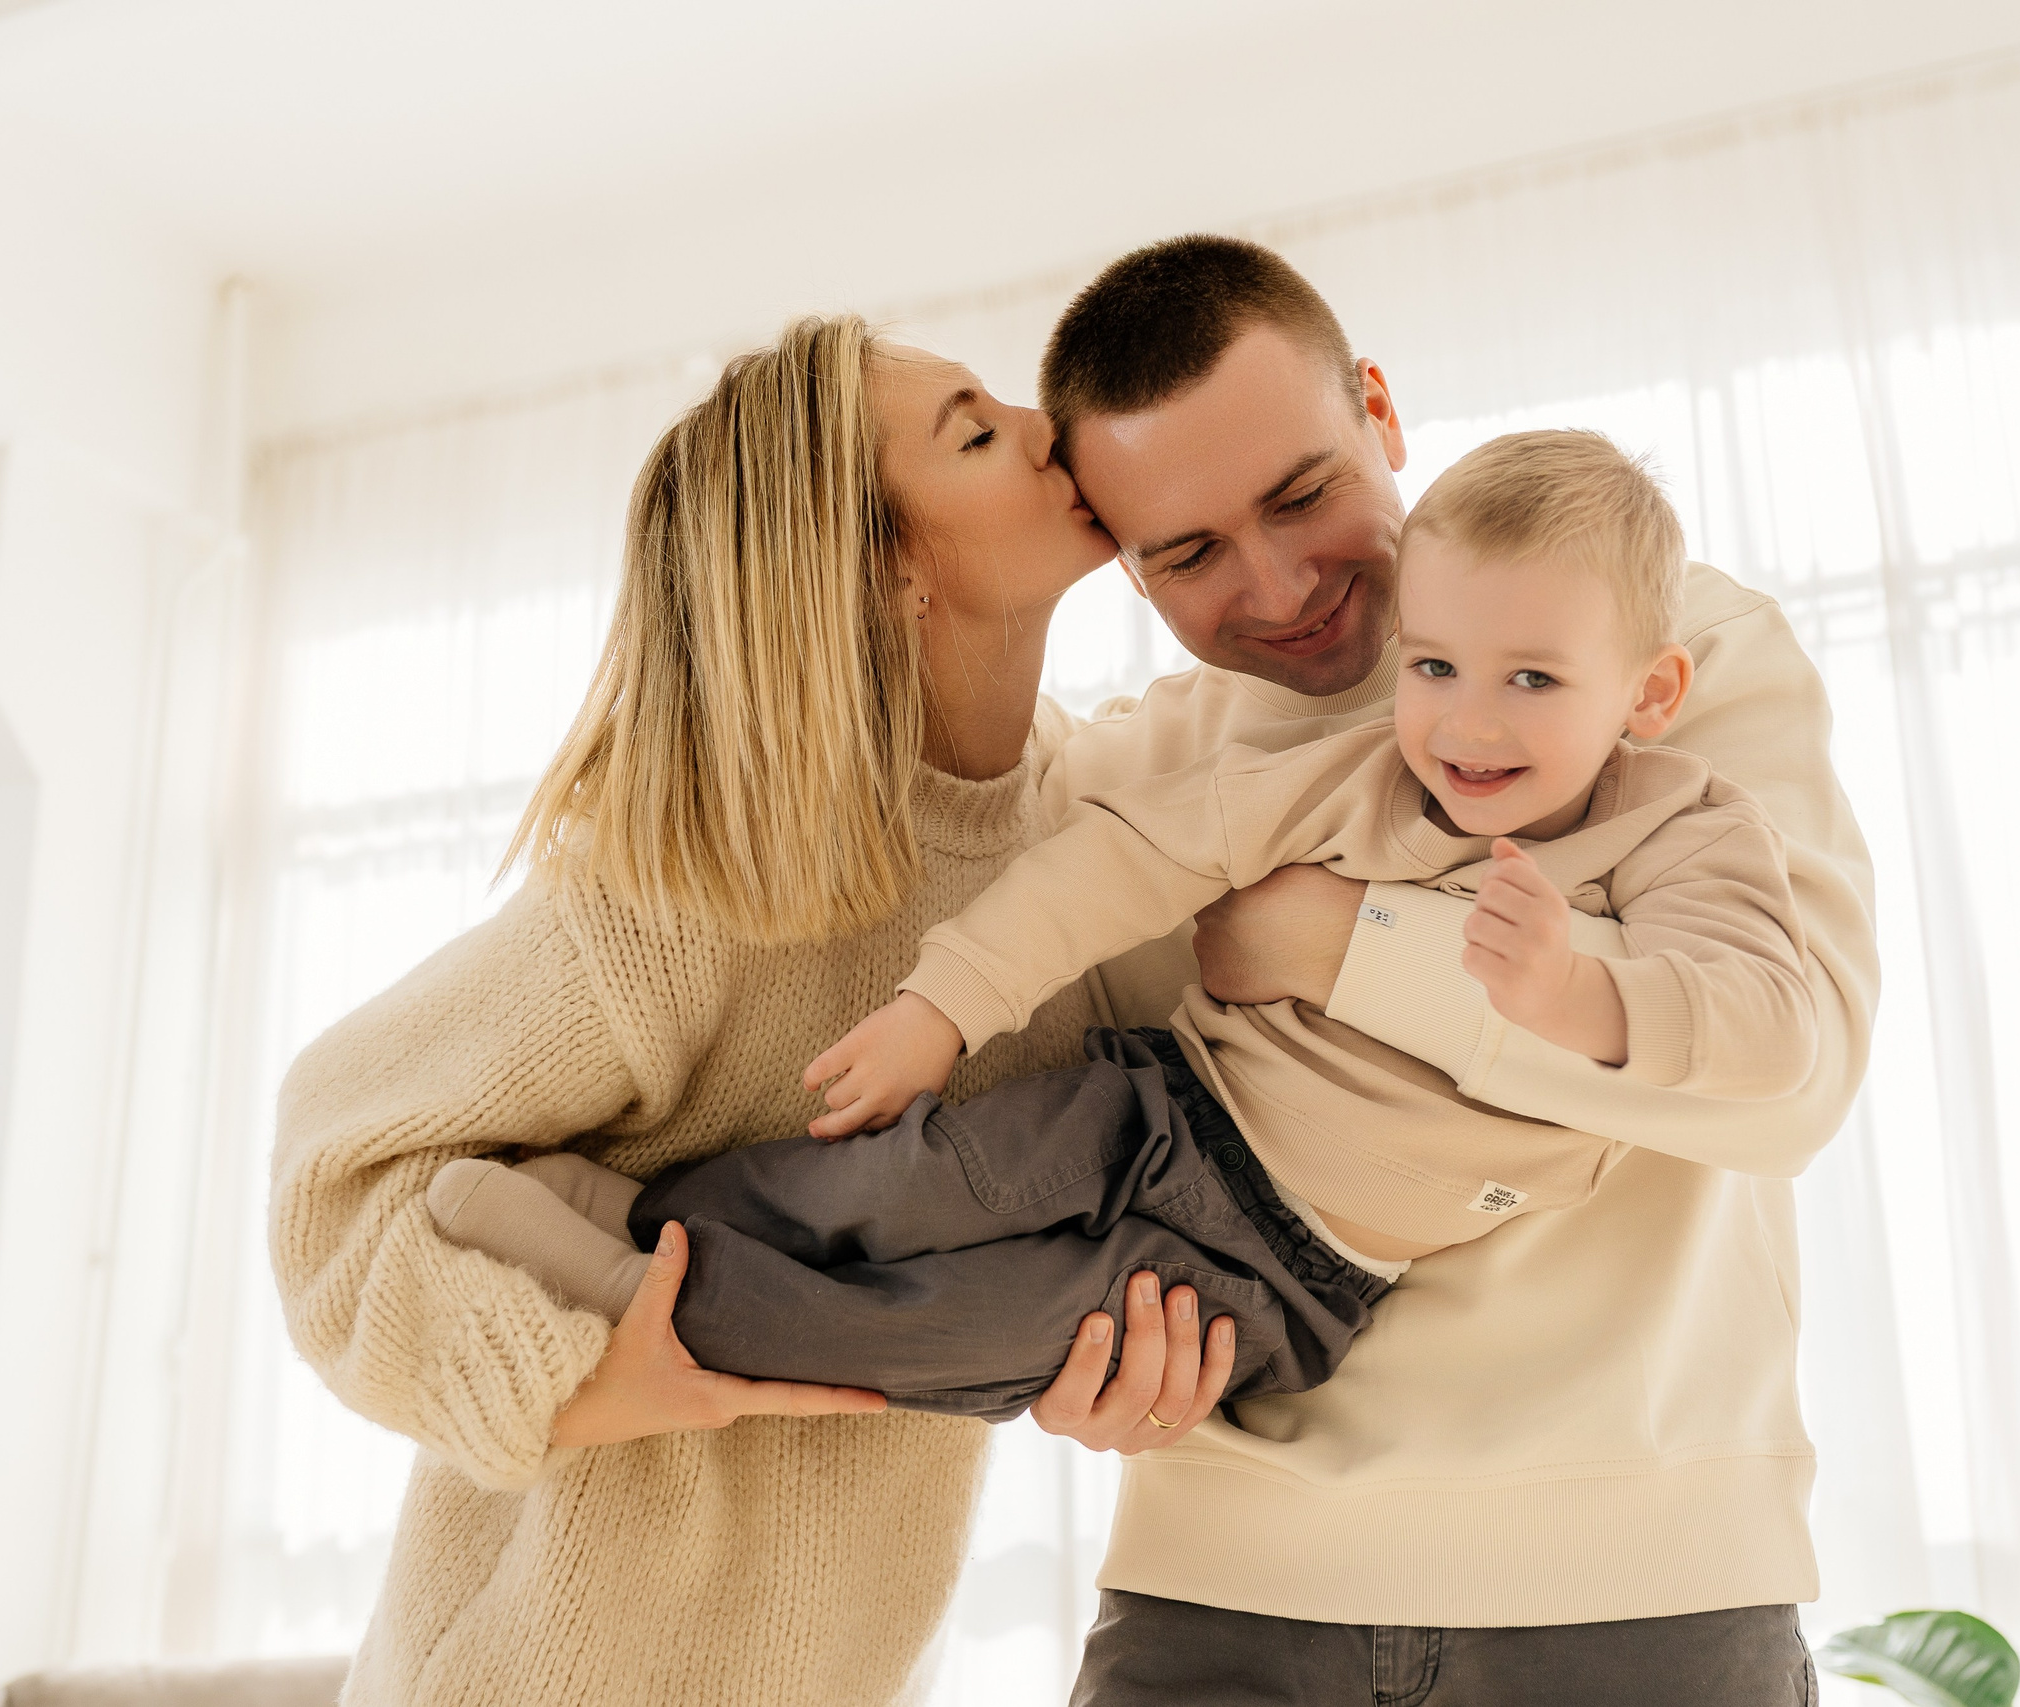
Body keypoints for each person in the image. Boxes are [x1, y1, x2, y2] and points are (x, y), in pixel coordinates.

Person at [425, 430, 1816, 1441]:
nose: (1468, 722)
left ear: (1650, 693)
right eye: (1435, 668)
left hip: (1299, 1271)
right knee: (912, 1182)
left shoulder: (1687, 830)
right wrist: (947, 1005)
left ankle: (639, 1287)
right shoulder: (1360, 780)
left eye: (1532, 679)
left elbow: (1773, 1028)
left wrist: (1578, 994)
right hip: (1164, 1113)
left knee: (962, 1333)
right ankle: (649, 1213)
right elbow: (1133, 859)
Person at [1020, 237, 1878, 1704]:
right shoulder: (1133, 778)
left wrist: (1338, 948)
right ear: (1117, 554)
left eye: (1302, 494)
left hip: (1643, 1600)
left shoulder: (1666, 644)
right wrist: (1082, 1344)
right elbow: (1070, 1149)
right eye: (1188, 552)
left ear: (1380, 410)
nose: (1280, 583)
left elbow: (1784, 1084)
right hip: (1212, 1601)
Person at [268, 315, 1125, 1706]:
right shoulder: (704, 884)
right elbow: (336, 1156)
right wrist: (578, 1375)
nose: (1047, 428)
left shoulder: (1100, 833)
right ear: (885, 564)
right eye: (975, 432)